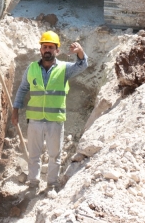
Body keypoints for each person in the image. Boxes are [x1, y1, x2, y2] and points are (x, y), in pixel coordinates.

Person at [12, 31, 89, 190]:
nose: (47, 50)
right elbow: (22, 89)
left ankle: (52, 184)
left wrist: (80, 52)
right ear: (40, 49)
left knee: (55, 155)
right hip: (35, 120)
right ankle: (33, 183)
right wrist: (15, 111)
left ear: (57, 50)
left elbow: (82, 65)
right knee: (34, 154)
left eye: (51, 47)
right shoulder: (31, 68)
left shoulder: (64, 68)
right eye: (45, 46)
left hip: (55, 120)